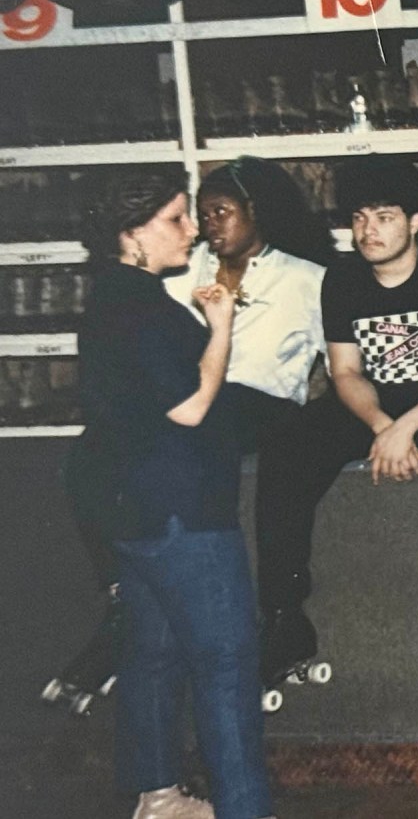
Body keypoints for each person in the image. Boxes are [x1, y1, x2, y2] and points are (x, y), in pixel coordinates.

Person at [252, 154, 418, 709]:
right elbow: (345, 371)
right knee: (288, 451)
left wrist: (408, 425)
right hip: (377, 405)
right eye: (360, 218)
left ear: (415, 221)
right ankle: (283, 616)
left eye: (385, 217)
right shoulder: (343, 277)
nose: (369, 231)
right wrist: (381, 425)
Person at [77, 171, 274, 819]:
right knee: (226, 667)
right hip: (184, 512)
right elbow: (190, 407)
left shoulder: (107, 299)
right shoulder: (145, 307)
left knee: (153, 655)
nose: (193, 230)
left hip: (131, 514)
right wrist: (219, 325)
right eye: (175, 219)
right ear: (131, 234)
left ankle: (158, 798)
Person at [164, 156, 333, 444]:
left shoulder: (307, 279)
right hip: (192, 401)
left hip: (266, 410)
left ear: (253, 210)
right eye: (204, 216)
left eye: (221, 212)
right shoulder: (184, 269)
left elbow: (341, 366)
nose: (211, 226)